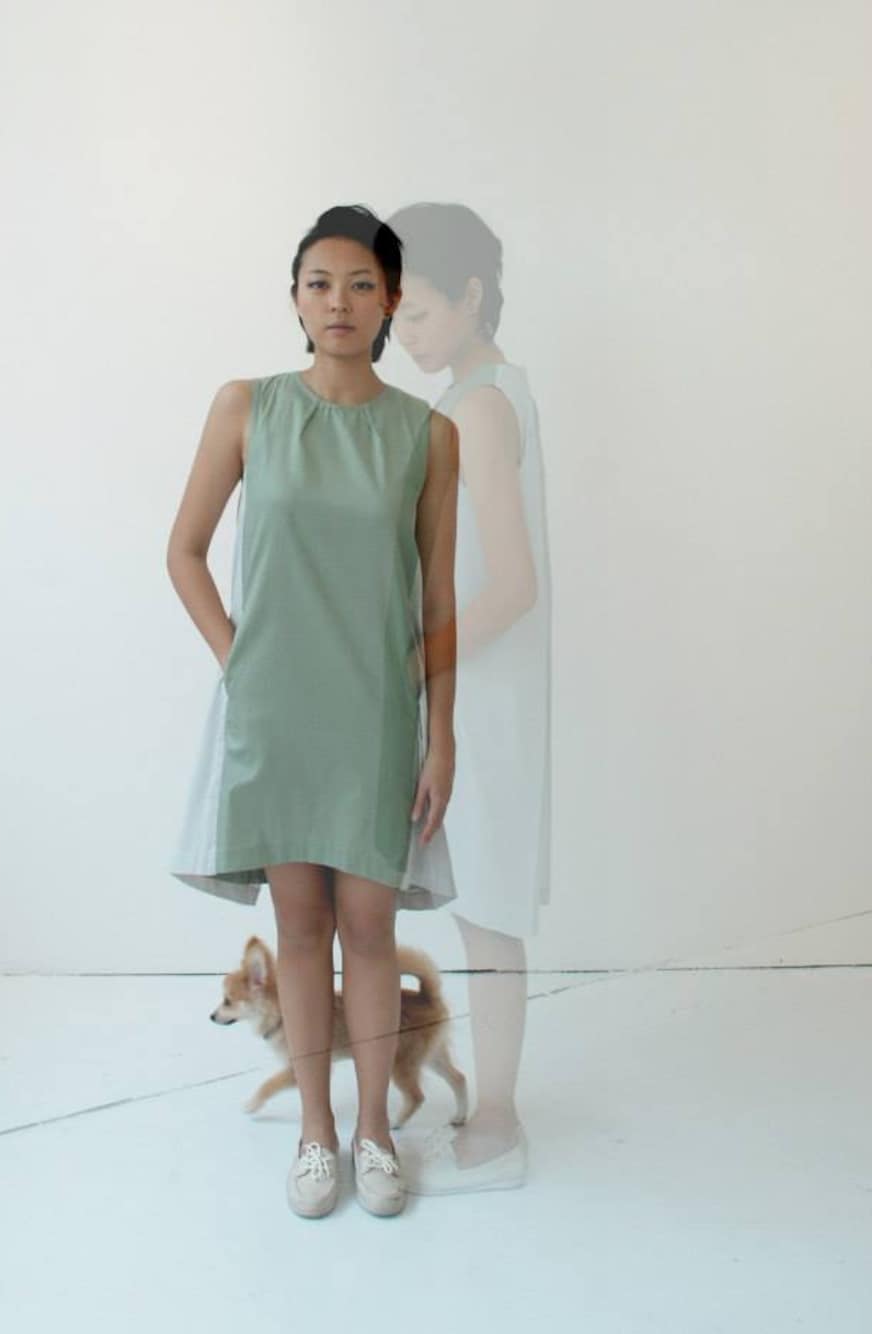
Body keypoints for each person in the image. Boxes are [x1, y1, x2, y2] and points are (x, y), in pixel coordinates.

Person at [166, 205, 460, 1218]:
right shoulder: (246, 407)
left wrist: (443, 734)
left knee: (369, 925)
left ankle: (376, 1131)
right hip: (278, 712)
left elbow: (437, 601)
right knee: (299, 926)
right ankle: (315, 1135)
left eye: (362, 284)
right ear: (295, 298)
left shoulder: (427, 434)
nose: (339, 302)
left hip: (376, 710)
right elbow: (183, 551)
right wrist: (237, 659)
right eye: (320, 283)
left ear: (390, 301)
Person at [385, 202, 553, 1194]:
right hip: (471, 689)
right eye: (394, 316)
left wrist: (409, 664)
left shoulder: (478, 408)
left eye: (415, 313)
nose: (401, 335)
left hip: (478, 698)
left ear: (472, 296)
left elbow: (512, 584)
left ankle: (496, 1121)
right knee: (478, 903)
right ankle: (489, 1109)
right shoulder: (480, 393)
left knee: (486, 908)